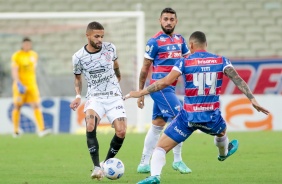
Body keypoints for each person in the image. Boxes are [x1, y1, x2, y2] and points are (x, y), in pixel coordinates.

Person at [125, 31, 270, 184]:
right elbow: (237, 79)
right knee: (222, 132)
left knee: (160, 148)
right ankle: (223, 153)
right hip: (211, 118)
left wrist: (141, 92)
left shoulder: (184, 62)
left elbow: (164, 82)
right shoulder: (221, 60)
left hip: (188, 117)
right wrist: (252, 99)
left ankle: (155, 176)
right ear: (206, 45)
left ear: (191, 45)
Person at [136, 7, 191, 174]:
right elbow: (145, 68)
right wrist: (141, 92)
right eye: (165, 19)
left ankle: (144, 163)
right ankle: (177, 160)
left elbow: (189, 62)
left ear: (176, 21)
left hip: (170, 88)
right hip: (159, 88)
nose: (168, 22)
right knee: (181, 119)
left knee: (157, 126)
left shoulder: (180, 40)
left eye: (171, 19)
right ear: (160, 21)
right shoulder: (154, 42)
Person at [70, 21, 127, 181]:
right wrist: (78, 96)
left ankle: (105, 164)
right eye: (96, 36)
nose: (100, 39)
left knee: (121, 132)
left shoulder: (110, 48)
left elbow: (115, 64)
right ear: (87, 35)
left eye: (102, 36)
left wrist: (118, 76)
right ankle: (96, 167)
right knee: (89, 125)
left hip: (114, 96)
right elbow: (77, 78)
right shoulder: (78, 57)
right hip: (95, 97)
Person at [11, 37, 51, 138]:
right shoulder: (17, 56)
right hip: (20, 86)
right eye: (25, 44)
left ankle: (41, 129)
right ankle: (15, 131)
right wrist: (18, 83)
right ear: (22, 45)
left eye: (29, 44)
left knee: (36, 105)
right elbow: (14, 70)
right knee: (18, 106)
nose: (27, 46)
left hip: (32, 85)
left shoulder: (34, 55)